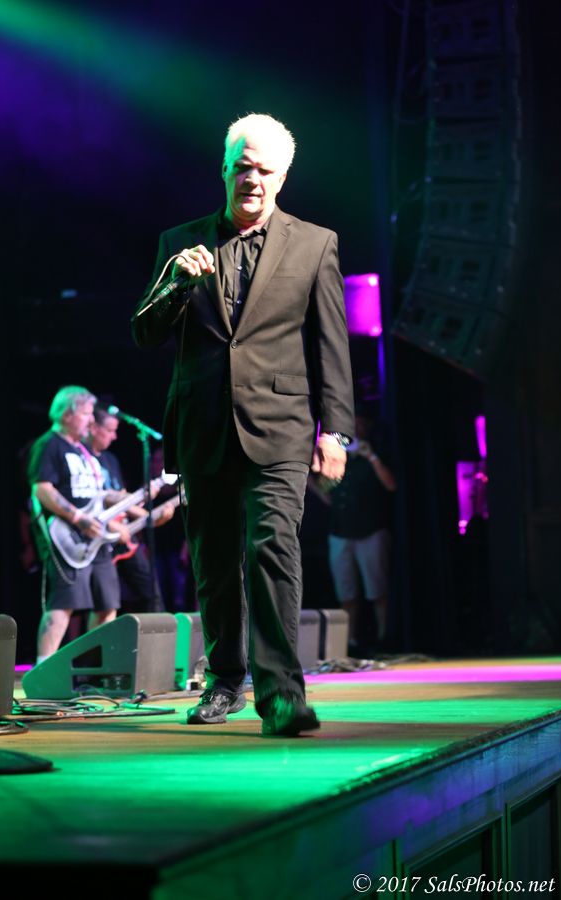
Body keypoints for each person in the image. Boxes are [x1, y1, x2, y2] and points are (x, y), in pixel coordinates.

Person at [132, 113, 354, 736]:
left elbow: (331, 343)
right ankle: (226, 679)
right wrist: (177, 284)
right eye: (242, 167)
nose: (251, 179)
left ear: (282, 178)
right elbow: (145, 333)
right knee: (214, 562)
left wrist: (336, 432)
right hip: (203, 425)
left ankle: (282, 694)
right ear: (224, 170)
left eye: (264, 170)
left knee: (273, 548)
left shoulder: (315, 244)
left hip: (281, 425)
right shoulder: (181, 242)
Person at [28, 386, 125, 662]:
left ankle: (94, 669)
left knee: (107, 604)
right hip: (67, 537)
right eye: (85, 414)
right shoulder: (49, 444)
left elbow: (99, 494)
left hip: (96, 539)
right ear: (67, 415)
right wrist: (78, 518)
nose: (91, 420)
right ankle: (43, 669)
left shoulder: (84, 451)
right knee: (63, 604)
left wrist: (137, 500)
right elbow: (42, 489)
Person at [323, 406, 396, 655]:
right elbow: (327, 493)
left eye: (361, 423)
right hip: (340, 532)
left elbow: (391, 485)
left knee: (377, 590)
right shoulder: (339, 457)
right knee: (346, 592)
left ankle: (384, 638)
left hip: (371, 531)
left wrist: (371, 456)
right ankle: (349, 642)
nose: (356, 428)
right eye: (352, 424)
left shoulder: (377, 453)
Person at [87, 403, 174, 613]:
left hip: (124, 536)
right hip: (98, 535)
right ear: (94, 428)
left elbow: (123, 502)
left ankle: (159, 633)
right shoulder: (84, 459)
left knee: (152, 592)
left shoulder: (110, 460)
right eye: (110, 430)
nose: (114, 436)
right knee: (103, 604)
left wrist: (149, 515)